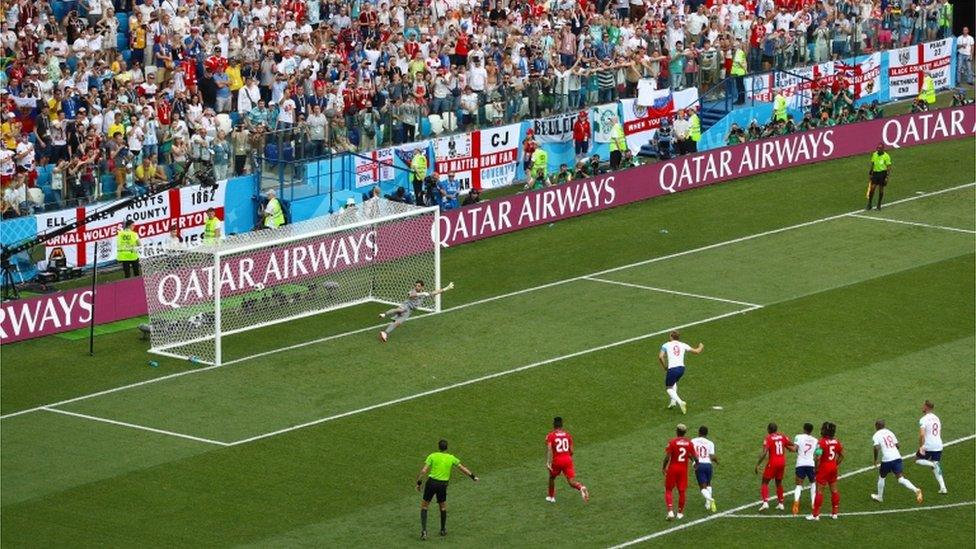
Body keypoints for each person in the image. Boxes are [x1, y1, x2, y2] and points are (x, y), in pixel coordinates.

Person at [415, 439, 479, 540]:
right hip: (442, 485)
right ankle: (443, 529)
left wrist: (418, 483)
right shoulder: (451, 458)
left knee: (424, 506)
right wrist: (473, 476)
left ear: (438, 447)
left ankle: (424, 532)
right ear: (447, 447)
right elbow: (462, 468)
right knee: (443, 507)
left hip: (431, 483)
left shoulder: (433, 455)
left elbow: (423, 471)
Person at [379, 280, 454, 342]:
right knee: (400, 309)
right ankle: (384, 314)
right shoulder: (413, 291)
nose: (416, 287)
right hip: (406, 305)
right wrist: (421, 294)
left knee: (397, 323)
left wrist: (447, 288)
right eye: (416, 285)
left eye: (418, 286)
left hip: (409, 311)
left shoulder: (424, 294)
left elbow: (435, 292)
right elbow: (411, 295)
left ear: (422, 287)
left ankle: (384, 333)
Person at [871, 420, 924, 504]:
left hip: (887, 459)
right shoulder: (890, 432)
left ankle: (880, 497)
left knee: (882, 477)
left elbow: (876, 448)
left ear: (876, 427)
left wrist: (875, 460)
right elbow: (898, 445)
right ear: (884, 426)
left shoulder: (876, 435)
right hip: (897, 457)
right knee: (900, 478)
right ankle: (916, 489)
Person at [545, 416, 590, 503]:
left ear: (554, 425)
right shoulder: (568, 435)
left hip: (557, 461)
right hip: (567, 459)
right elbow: (572, 451)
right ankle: (581, 487)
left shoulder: (551, 436)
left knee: (552, 477)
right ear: (562, 425)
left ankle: (551, 497)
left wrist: (548, 462)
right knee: (571, 481)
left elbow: (549, 449)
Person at [657, 330, 704, 414]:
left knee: (668, 388)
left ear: (671, 337)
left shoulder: (666, 345)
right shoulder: (683, 345)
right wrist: (701, 346)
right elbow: (697, 351)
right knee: (673, 382)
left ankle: (680, 402)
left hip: (672, 369)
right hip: (681, 369)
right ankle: (673, 402)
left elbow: (660, 357)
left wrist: (665, 367)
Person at [807, 421, 844, 521]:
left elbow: (818, 457)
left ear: (825, 431)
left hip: (824, 469)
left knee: (819, 491)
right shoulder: (836, 441)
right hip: (833, 467)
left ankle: (815, 515)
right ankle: (835, 513)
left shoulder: (821, 442)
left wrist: (815, 468)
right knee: (834, 490)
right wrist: (835, 464)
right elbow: (842, 455)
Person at [755, 422, 795, 512]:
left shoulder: (768, 438)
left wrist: (757, 464)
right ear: (776, 429)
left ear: (768, 430)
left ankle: (765, 502)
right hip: (782, 463)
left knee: (764, 482)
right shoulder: (782, 436)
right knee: (779, 482)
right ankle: (781, 503)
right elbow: (791, 444)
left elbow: (764, 453)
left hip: (773, 462)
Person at [663, 423, 698, 521]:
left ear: (677, 431)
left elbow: (667, 457)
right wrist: (696, 465)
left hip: (673, 468)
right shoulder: (689, 443)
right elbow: (695, 458)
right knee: (682, 491)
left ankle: (670, 511)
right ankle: (680, 513)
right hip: (683, 470)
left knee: (669, 489)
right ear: (685, 432)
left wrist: (663, 467)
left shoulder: (672, 442)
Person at [915, 400, 947, 494]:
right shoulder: (937, 418)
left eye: (923, 405)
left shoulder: (923, 419)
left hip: (929, 445)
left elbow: (921, 435)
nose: (922, 407)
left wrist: (921, 446)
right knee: (936, 466)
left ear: (926, 407)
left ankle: (933, 464)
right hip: (938, 444)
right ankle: (943, 487)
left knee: (917, 459)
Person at [791, 422, 819, 515]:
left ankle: (796, 504)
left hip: (800, 464)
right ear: (811, 430)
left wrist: (786, 446)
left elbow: (794, 449)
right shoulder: (816, 440)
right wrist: (814, 461)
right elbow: (819, 454)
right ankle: (813, 503)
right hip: (811, 464)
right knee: (813, 483)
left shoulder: (798, 437)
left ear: (804, 429)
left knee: (798, 485)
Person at [691, 425, 718, 512]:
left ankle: (710, 499)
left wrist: (693, 461)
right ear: (706, 434)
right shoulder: (710, 443)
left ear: (699, 432)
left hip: (699, 464)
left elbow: (690, 453)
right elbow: (712, 456)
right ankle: (708, 503)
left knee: (702, 487)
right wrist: (717, 462)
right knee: (708, 484)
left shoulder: (693, 441)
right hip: (708, 465)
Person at [866, 143, 892, 210]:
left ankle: (879, 205)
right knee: (872, 188)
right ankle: (869, 204)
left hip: (882, 173)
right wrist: (870, 172)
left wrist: (886, 177)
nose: (878, 149)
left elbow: (888, 167)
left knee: (881, 189)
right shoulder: (874, 154)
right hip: (875, 173)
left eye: (880, 148)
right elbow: (873, 163)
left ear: (883, 149)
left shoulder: (886, 156)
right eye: (877, 148)